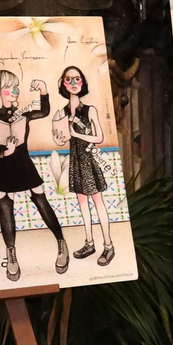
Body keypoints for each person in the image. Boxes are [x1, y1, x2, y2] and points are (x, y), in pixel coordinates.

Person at [0, 70, 70, 282]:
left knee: (40, 200)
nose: (14, 92)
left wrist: (43, 90)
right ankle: (10, 253)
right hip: (1, 168)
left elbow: (45, 111)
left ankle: (61, 242)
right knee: (5, 206)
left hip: (23, 164)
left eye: (15, 87)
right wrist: (4, 152)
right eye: (9, 88)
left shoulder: (23, 114)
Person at [52, 66, 115, 266]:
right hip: (75, 159)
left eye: (77, 79)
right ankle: (89, 242)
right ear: (63, 83)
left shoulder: (90, 110)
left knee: (97, 201)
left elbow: (99, 137)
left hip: (88, 159)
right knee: (81, 202)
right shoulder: (61, 112)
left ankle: (108, 245)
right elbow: (61, 138)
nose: (73, 83)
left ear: (82, 82)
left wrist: (76, 134)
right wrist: (60, 138)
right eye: (68, 79)